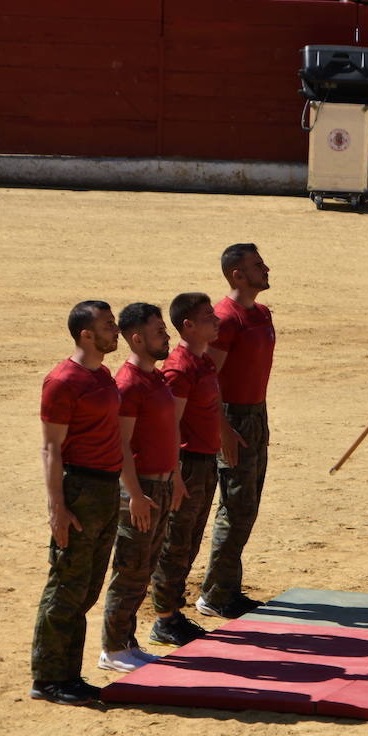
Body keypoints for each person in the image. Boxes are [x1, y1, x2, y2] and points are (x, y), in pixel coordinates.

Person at [31, 301, 122, 705]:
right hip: (80, 489)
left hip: (105, 489)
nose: (115, 329)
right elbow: (51, 448)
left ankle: (68, 674)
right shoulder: (62, 381)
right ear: (86, 334)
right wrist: (57, 508)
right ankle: (49, 678)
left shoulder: (102, 375)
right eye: (107, 325)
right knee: (67, 585)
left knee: (85, 588)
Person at [99, 303, 186, 672]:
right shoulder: (130, 383)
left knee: (146, 566)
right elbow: (121, 445)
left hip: (162, 486)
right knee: (131, 568)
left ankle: (127, 642)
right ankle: (113, 649)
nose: (166, 336)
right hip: (142, 490)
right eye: (158, 332)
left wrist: (176, 478)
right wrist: (134, 494)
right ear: (137, 338)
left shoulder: (155, 378)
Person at [197, 244, 275, 619]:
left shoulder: (259, 313)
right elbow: (207, 378)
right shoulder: (225, 318)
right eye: (258, 266)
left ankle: (227, 586)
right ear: (236, 275)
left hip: (256, 415)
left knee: (247, 505)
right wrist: (223, 429)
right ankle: (214, 594)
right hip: (233, 418)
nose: (266, 270)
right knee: (236, 505)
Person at [148, 293, 222, 646]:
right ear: (188, 325)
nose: (216, 319)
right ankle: (164, 616)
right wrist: (175, 475)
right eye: (208, 316)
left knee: (190, 540)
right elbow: (170, 425)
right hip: (187, 466)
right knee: (176, 541)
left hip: (205, 462)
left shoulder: (203, 361)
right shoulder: (179, 368)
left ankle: (173, 612)